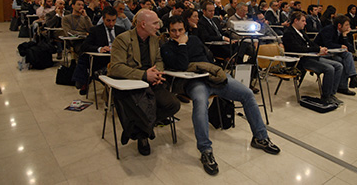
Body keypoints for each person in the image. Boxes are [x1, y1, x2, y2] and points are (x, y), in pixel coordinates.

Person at [161, 15, 280, 175]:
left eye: (180, 30)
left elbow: (208, 57)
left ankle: (260, 137)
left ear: (185, 29)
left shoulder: (195, 40)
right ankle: (205, 150)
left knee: (247, 94)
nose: (177, 33)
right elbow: (181, 65)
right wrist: (182, 45)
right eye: (173, 31)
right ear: (169, 31)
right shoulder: (167, 47)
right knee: (200, 104)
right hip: (194, 83)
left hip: (213, 78)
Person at [108, 9, 180, 156]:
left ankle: (138, 129)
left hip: (152, 82)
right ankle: (144, 136)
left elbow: (159, 60)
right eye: (154, 23)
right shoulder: (123, 39)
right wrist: (143, 75)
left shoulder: (155, 39)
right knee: (143, 106)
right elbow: (115, 68)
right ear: (142, 24)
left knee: (173, 104)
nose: (158, 26)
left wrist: (157, 72)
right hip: (131, 84)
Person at [283, 11, 344, 105]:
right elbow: (298, 49)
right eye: (303, 21)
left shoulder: (301, 31)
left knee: (338, 65)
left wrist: (320, 48)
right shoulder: (289, 33)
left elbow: (310, 43)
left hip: (311, 56)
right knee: (329, 69)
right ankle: (325, 97)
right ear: (295, 21)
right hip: (301, 60)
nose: (305, 23)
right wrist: (317, 49)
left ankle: (332, 94)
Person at [72, 7, 126, 94]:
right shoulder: (95, 30)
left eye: (113, 20)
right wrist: (99, 48)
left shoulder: (121, 30)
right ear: (103, 18)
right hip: (101, 61)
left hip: (118, 60)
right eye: (108, 20)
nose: (111, 23)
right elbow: (84, 46)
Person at [315, 15, 357, 94]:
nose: (348, 27)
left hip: (333, 53)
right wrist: (340, 46)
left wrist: (344, 36)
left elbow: (350, 48)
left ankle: (350, 81)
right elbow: (328, 44)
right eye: (346, 25)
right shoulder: (328, 30)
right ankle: (347, 83)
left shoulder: (343, 32)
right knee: (341, 60)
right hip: (322, 53)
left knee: (348, 55)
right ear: (339, 25)